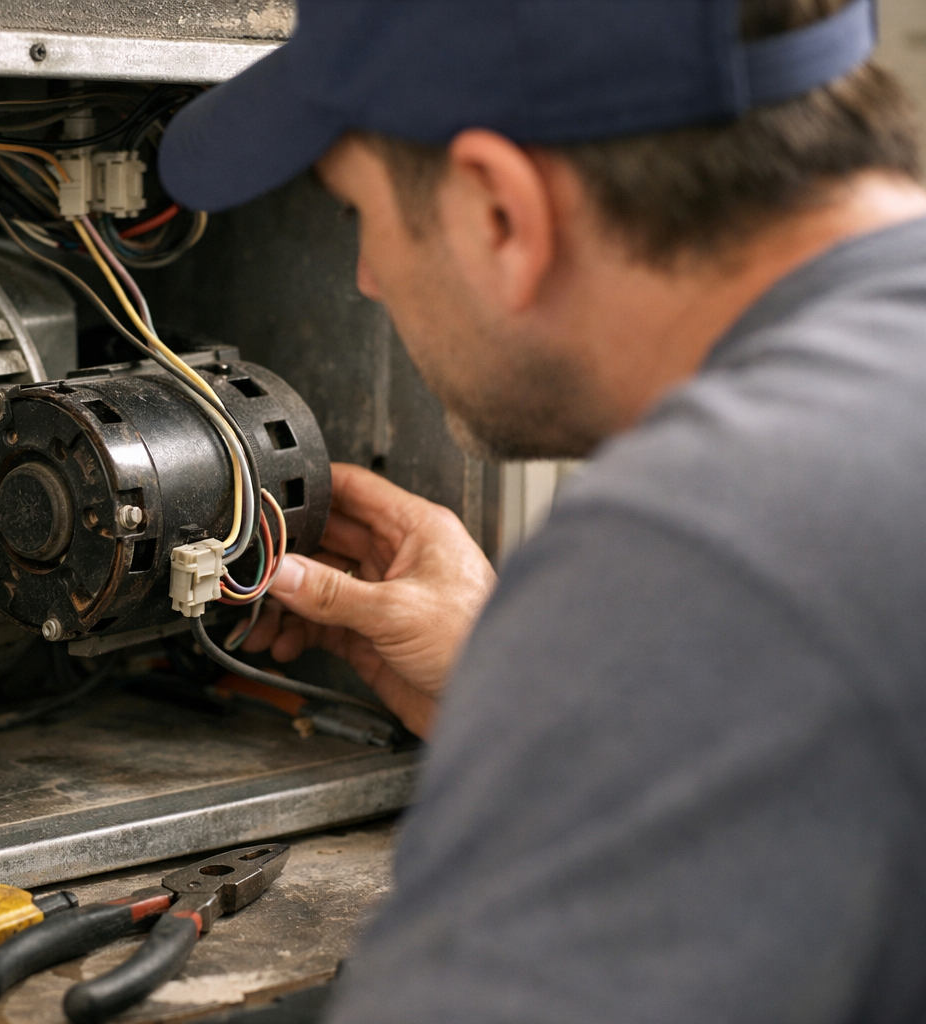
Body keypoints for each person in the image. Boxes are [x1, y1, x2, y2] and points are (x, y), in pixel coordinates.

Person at [158, 0, 926, 1018]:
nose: (366, 279)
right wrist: (522, 696)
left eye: (358, 216)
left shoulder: (711, 545)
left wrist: (577, 673)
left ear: (500, 214)